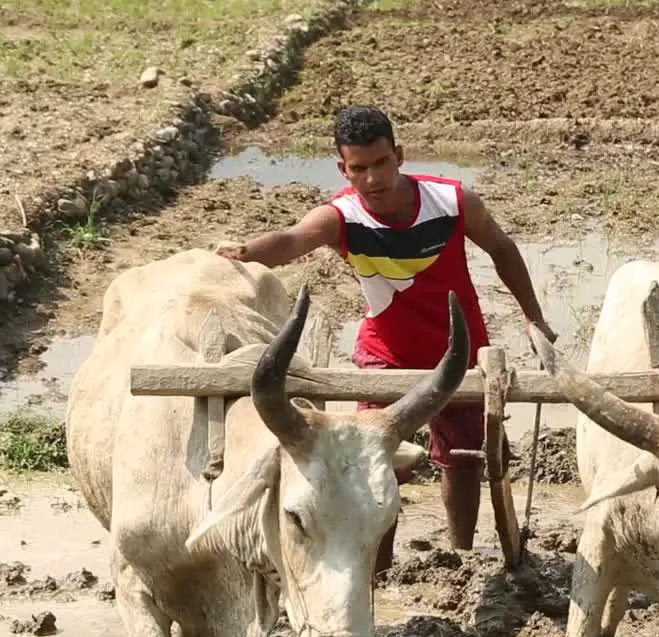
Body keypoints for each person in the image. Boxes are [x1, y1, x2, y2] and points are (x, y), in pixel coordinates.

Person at [215, 105, 557, 575]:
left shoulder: (454, 202)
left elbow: (501, 247)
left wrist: (533, 316)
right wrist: (245, 254)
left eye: (380, 163)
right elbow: (292, 240)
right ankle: (377, 566)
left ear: (398, 155)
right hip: (385, 357)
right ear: (343, 168)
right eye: (359, 168)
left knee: (461, 458)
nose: (372, 178)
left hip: (458, 353)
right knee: (376, 463)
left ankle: (459, 557)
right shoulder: (342, 217)